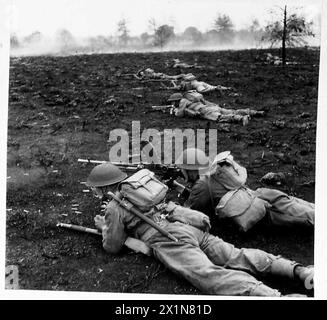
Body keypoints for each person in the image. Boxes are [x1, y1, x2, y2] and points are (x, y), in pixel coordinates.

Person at [86, 162, 313, 297]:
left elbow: (113, 245)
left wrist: (104, 227)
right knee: (236, 254)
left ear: (102, 187)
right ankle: (300, 271)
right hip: (186, 226)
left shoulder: (115, 207)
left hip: (167, 239)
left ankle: (271, 296)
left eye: (96, 189)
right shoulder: (139, 187)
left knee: (208, 275)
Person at [175, 148, 314, 232]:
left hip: (254, 211)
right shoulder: (213, 171)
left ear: (191, 171)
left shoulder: (201, 186)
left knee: (301, 220)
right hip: (258, 194)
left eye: (183, 170)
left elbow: (189, 211)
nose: (182, 173)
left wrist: (177, 200)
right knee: (296, 204)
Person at [166, 92, 265, 126]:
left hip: (205, 111)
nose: (173, 103)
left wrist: (174, 111)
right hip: (210, 106)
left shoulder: (183, 101)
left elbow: (180, 114)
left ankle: (241, 118)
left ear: (176, 100)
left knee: (221, 118)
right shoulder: (190, 99)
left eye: (173, 101)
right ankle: (255, 112)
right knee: (232, 110)